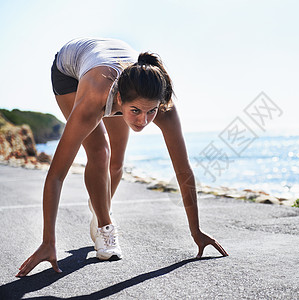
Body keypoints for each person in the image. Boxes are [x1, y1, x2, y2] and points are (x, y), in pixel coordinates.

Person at [16, 37, 228, 277]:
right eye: (135, 111)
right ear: (119, 101)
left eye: (151, 112)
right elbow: (56, 175)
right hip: (69, 71)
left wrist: (196, 231)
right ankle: (105, 225)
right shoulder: (96, 98)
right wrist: (48, 241)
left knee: (117, 163)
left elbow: (183, 171)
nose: (143, 121)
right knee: (100, 151)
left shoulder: (163, 104)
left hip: (111, 68)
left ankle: (98, 206)